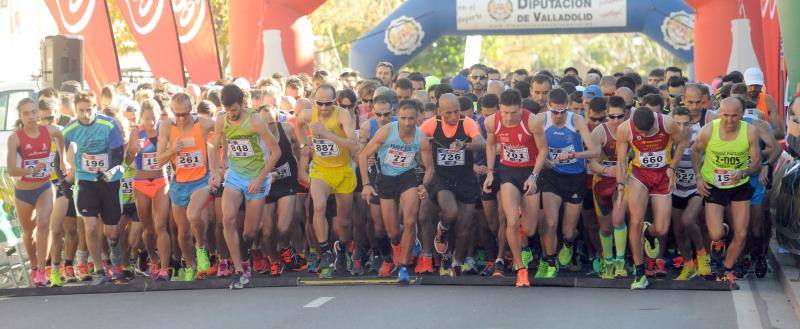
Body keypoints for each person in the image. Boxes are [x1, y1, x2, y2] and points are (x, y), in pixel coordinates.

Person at [210, 84, 281, 288]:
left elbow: (275, 152)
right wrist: (215, 172)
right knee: (228, 219)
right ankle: (239, 268)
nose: (231, 114)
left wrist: (260, 179)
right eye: (227, 110)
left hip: (256, 176)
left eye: (234, 109)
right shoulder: (222, 120)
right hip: (235, 175)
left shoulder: (255, 121)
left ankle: (246, 254)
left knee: (250, 231)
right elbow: (214, 149)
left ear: (242, 104)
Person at [358, 99, 434, 284]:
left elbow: (430, 167)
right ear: (397, 116)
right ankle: (406, 244)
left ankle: (403, 268)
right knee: (392, 232)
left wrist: (424, 185)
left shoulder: (421, 138)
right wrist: (366, 184)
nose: (407, 122)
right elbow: (363, 155)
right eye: (403, 118)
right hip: (386, 181)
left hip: (408, 178)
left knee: (410, 221)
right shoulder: (386, 132)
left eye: (411, 118)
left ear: (418, 117)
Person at [692, 97, 762, 283]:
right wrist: (698, 177)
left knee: (741, 233)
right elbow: (695, 151)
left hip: (739, 185)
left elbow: (757, 162)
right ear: (719, 112)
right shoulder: (709, 130)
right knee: (715, 234)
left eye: (734, 115)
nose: (729, 120)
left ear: (741, 113)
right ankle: (722, 231)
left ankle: (726, 268)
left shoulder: (750, 131)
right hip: (714, 185)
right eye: (725, 115)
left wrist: (743, 171)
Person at [531, 88, 599, 279]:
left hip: (575, 177)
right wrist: (544, 161)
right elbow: (532, 149)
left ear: (567, 109)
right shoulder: (539, 121)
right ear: (548, 107)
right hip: (552, 176)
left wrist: (574, 154)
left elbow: (594, 151)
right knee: (550, 222)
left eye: (562, 112)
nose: (558, 117)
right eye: (554, 112)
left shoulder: (576, 120)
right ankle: (550, 260)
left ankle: (570, 243)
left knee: (568, 231)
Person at [616, 106, 686, 289]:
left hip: (663, 175)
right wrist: (620, 184)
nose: (645, 135)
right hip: (639, 175)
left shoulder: (667, 123)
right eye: (641, 132)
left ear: (654, 123)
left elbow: (682, 143)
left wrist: (673, 167)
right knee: (636, 221)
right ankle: (640, 273)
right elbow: (621, 160)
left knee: (662, 229)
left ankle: (650, 233)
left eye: (648, 132)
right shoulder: (625, 129)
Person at [295, 83, 360, 279]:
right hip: (321, 170)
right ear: (315, 102)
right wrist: (303, 144)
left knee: (344, 222)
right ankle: (325, 252)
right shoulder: (308, 114)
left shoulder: (342, 115)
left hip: (343, 170)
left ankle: (341, 250)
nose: (324, 108)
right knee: (319, 207)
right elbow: (298, 124)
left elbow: (354, 145)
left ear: (335, 101)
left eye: (328, 103)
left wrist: (327, 134)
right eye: (320, 103)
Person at [62, 91, 127, 285]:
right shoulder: (70, 129)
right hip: (85, 181)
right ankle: (100, 269)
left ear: (95, 108)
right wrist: (65, 178)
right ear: (75, 110)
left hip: (109, 180)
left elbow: (118, 152)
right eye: (81, 111)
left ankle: (116, 263)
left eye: (89, 110)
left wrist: (108, 171)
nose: (85, 114)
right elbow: (59, 149)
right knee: (90, 228)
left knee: (111, 232)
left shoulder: (108, 124)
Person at [483, 89, 544, 287]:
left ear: (521, 108)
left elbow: (543, 150)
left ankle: (520, 221)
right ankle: (521, 269)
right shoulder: (492, 121)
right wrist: (491, 172)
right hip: (508, 172)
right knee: (511, 221)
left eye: (514, 113)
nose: (509, 117)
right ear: (500, 108)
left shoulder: (532, 121)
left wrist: (534, 176)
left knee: (530, 228)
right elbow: (490, 145)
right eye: (506, 112)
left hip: (529, 172)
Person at [420, 93, 486, 276]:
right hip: (442, 177)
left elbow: (481, 142)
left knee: (464, 226)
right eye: (448, 113)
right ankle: (442, 228)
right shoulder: (432, 124)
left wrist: (464, 145)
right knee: (450, 212)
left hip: (465, 178)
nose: (453, 117)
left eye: (456, 112)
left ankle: (456, 262)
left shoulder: (467, 122)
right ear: (439, 112)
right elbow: (416, 138)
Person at [157, 93, 217, 282]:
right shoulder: (167, 126)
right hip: (179, 183)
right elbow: (159, 160)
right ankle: (190, 265)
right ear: (172, 112)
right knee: (182, 231)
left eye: (185, 114)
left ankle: (201, 248)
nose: (182, 118)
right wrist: (173, 150)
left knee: (193, 215)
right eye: (178, 114)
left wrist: (218, 165)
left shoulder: (204, 124)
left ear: (192, 109)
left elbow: (227, 131)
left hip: (201, 180)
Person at [7, 98, 64, 286]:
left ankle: (41, 269)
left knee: (44, 223)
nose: (31, 117)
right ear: (20, 116)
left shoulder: (49, 131)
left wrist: (63, 160)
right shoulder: (15, 138)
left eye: (33, 112)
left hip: (44, 188)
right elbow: (12, 171)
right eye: (26, 113)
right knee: (28, 232)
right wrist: (32, 170)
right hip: (23, 191)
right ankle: (33, 266)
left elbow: (61, 135)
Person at [127, 99, 172, 280]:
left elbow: (170, 157)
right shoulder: (136, 132)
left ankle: (165, 267)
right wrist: (133, 150)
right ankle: (152, 258)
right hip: (141, 182)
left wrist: (167, 152)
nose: (151, 122)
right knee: (148, 228)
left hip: (160, 180)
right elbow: (127, 159)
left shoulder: (164, 130)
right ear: (141, 118)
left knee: (161, 225)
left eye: (153, 118)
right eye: (147, 118)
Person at [38, 97, 80, 285]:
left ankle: (69, 265)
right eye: (43, 118)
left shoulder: (64, 133)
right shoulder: (33, 135)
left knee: (70, 228)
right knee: (52, 230)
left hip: (63, 184)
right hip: (43, 188)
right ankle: (50, 267)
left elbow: (73, 160)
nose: (47, 122)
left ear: (57, 114)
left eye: (50, 117)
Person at [669, 107, 712, 280]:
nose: (682, 127)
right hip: (676, 189)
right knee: (678, 230)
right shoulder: (667, 139)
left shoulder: (699, 135)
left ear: (691, 123)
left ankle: (702, 256)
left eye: (686, 123)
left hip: (696, 187)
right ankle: (688, 265)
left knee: (688, 220)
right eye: (677, 124)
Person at [588, 96, 628, 279]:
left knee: (618, 219)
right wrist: (606, 169)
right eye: (612, 117)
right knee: (605, 227)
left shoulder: (631, 129)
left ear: (626, 114)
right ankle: (608, 261)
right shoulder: (599, 132)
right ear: (606, 115)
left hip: (624, 182)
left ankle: (621, 262)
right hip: (602, 182)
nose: (616, 121)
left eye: (620, 116)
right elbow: (592, 164)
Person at [260, 106, 302, 277]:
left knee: (283, 228)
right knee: (267, 231)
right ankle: (275, 261)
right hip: (267, 184)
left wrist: (297, 164)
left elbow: (297, 147)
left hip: (287, 182)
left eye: (272, 122)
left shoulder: (286, 129)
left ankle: (284, 248)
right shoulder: (255, 137)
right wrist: (267, 174)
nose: (269, 126)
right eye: (265, 123)